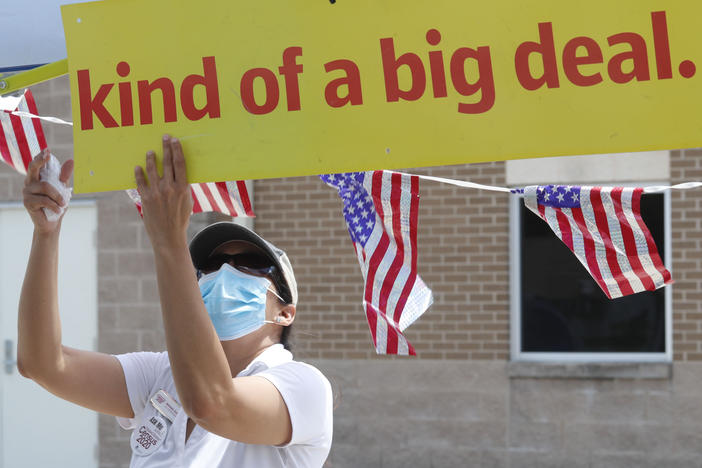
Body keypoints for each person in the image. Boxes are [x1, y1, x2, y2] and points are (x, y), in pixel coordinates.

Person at [17, 135, 333, 467]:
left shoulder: (304, 386)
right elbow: (42, 364)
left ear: (285, 312)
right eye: (210, 266)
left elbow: (212, 402)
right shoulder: (161, 374)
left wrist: (170, 242)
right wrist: (46, 233)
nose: (225, 272)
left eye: (249, 265)